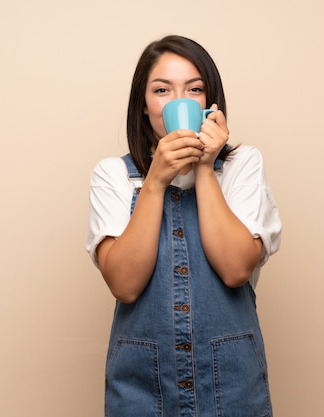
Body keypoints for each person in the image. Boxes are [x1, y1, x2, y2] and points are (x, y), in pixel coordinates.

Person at [85, 35, 282, 417]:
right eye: (162, 90)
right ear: (143, 106)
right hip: (141, 388)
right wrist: (156, 180)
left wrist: (205, 167)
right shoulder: (112, 175)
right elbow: (124, 285)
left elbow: (236, 268)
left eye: (194, 89)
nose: (179, 100)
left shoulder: (244, 166)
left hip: (233, 385)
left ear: (210, 105)